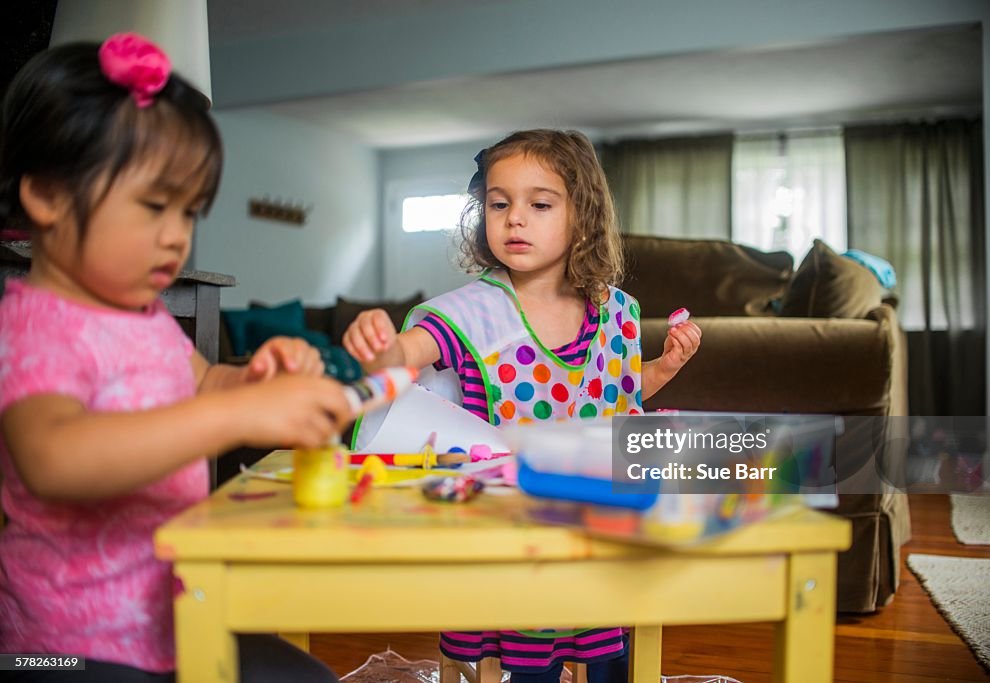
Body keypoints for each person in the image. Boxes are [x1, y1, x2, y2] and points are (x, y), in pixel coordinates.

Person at [0, 34, 350, 683]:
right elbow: (55, 457)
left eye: (189, 212)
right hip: (64, 645)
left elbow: (204, 383)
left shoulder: (146, 317)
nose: (177, 236)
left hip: (173, 620)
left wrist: (253, 377)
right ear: (47, 194)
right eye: (154, 206)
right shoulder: (32, 326)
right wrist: (240, 412)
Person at [343, 129, 701, 682]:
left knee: (605, 656)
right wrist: (381, 346)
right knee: (518, 659)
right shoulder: (473, 312)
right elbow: (408, 354)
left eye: (539, 204)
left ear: (581, 216)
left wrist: (663, 370)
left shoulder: (615, 311)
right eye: (498, 203)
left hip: (593, 526)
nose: (514, 219)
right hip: (508, 535)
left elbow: (617, 390)